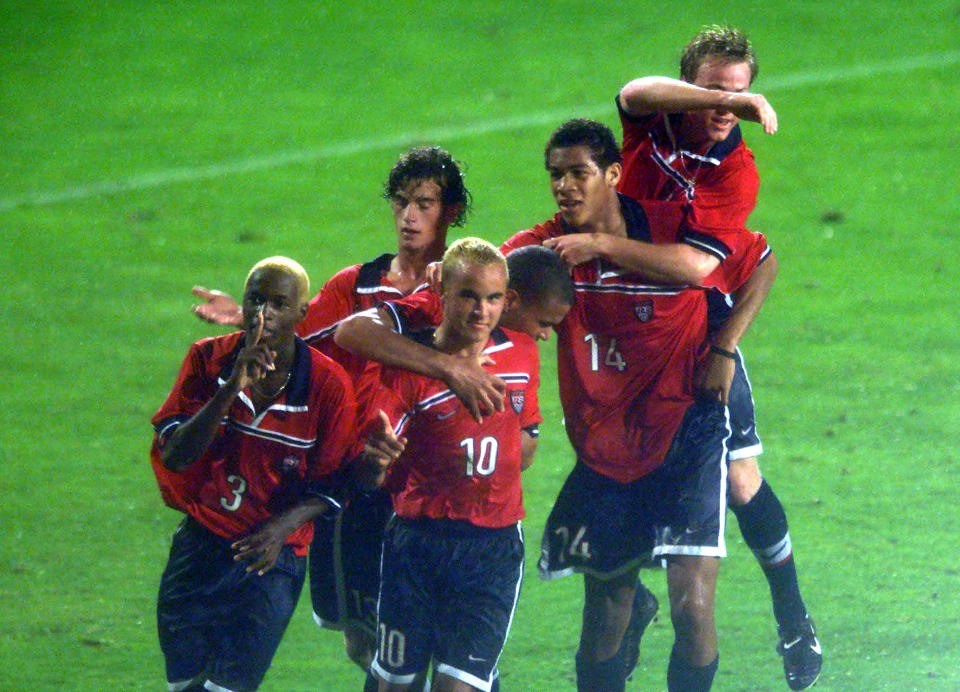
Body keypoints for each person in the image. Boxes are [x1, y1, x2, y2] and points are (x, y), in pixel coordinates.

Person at [339, 118, 769, 691]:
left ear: (613, 175)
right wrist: (450, 360)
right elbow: (356, 331)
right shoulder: (511, 282)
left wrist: (723, 344)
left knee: (693, 610)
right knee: (602, 613)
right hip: (583, 467)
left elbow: (756, 258)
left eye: (578, 174)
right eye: (555, 175)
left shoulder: (670, 233)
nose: (564, 186)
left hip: (677, 441)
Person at [189, 147, 501, 690]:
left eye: (424, 204)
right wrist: (246, 321)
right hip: (359, 481)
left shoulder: (466, 289)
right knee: (361, 634)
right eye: (402, 202)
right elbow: (306, 335)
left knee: (446, 635)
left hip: (435, 485)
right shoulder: (356, 286)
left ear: (450, 212)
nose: (408, 216)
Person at [615, 25, 820, 690]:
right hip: (625, 342)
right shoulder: (653, 127)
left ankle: (791, 612)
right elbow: (633, 91)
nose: (723, 105)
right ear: (688, 84)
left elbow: (711, 263)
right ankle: (625, 602)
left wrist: (726, 346)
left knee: (739, 485)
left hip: (698, 338)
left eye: (738, 92)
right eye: (710, 89)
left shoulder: (736, 174)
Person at [150, 256, 359, 692]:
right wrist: (230, 389)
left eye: (279, 304)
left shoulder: (328, 385)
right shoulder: (208, 361)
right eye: (255, 300)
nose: (264, 314)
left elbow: (335, 483)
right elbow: (174, 456)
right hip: (200, 550)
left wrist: (280, 531)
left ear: (302, 313)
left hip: (271, 562)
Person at [355, 238, 544, 692]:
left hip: (492, 549)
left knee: (458, 686)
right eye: (468, 295)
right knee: (394, 683)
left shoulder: (521, 354)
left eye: (494, 298)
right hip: (417, 544)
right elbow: (371, 472)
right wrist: (375, 460)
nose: (482, 310)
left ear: (508, 300)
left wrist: (483, 463)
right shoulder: (409, 368)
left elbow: (528, 437)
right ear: (441, 293)